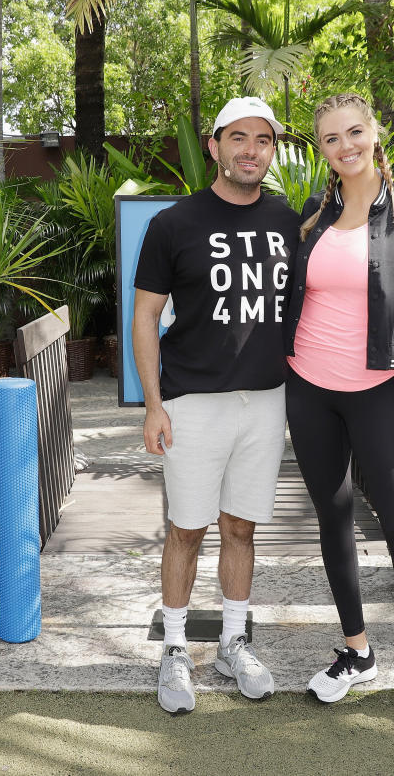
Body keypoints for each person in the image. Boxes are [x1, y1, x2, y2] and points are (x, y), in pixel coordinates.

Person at [283, 93, 394, 729]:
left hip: (384, 391)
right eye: (330, 138)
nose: (345, 146)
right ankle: (357, 651)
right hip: (310, 388)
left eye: (355, 132)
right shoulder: (313, 214)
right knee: (334, 517)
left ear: (376, 134)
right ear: (319, 149)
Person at [133, 97, 301, 714]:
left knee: (242, 526)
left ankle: (233, 640)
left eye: (262, 140)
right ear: (214, 146)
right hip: (193, 401)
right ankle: (175, 649)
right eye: (238, 138)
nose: (250, 150)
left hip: (265, 400)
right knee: (187, 529)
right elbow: (146, 318)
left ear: (272, 151)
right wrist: (154, 406)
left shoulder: (286, 221)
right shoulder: (173, 224)